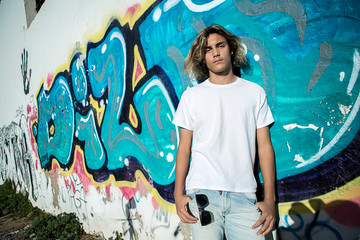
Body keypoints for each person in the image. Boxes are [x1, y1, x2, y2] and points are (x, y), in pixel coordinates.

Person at [172, 25, 276, 239]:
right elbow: (184, 148)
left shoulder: (254, 93)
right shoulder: (191, 97)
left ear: (231, 49)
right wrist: (178, 194)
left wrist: (270, 200)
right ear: (203, 57)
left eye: (220, 45)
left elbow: (265, 147)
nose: (216, 52)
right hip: (201, 196)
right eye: (208, 49)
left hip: (245, 196)